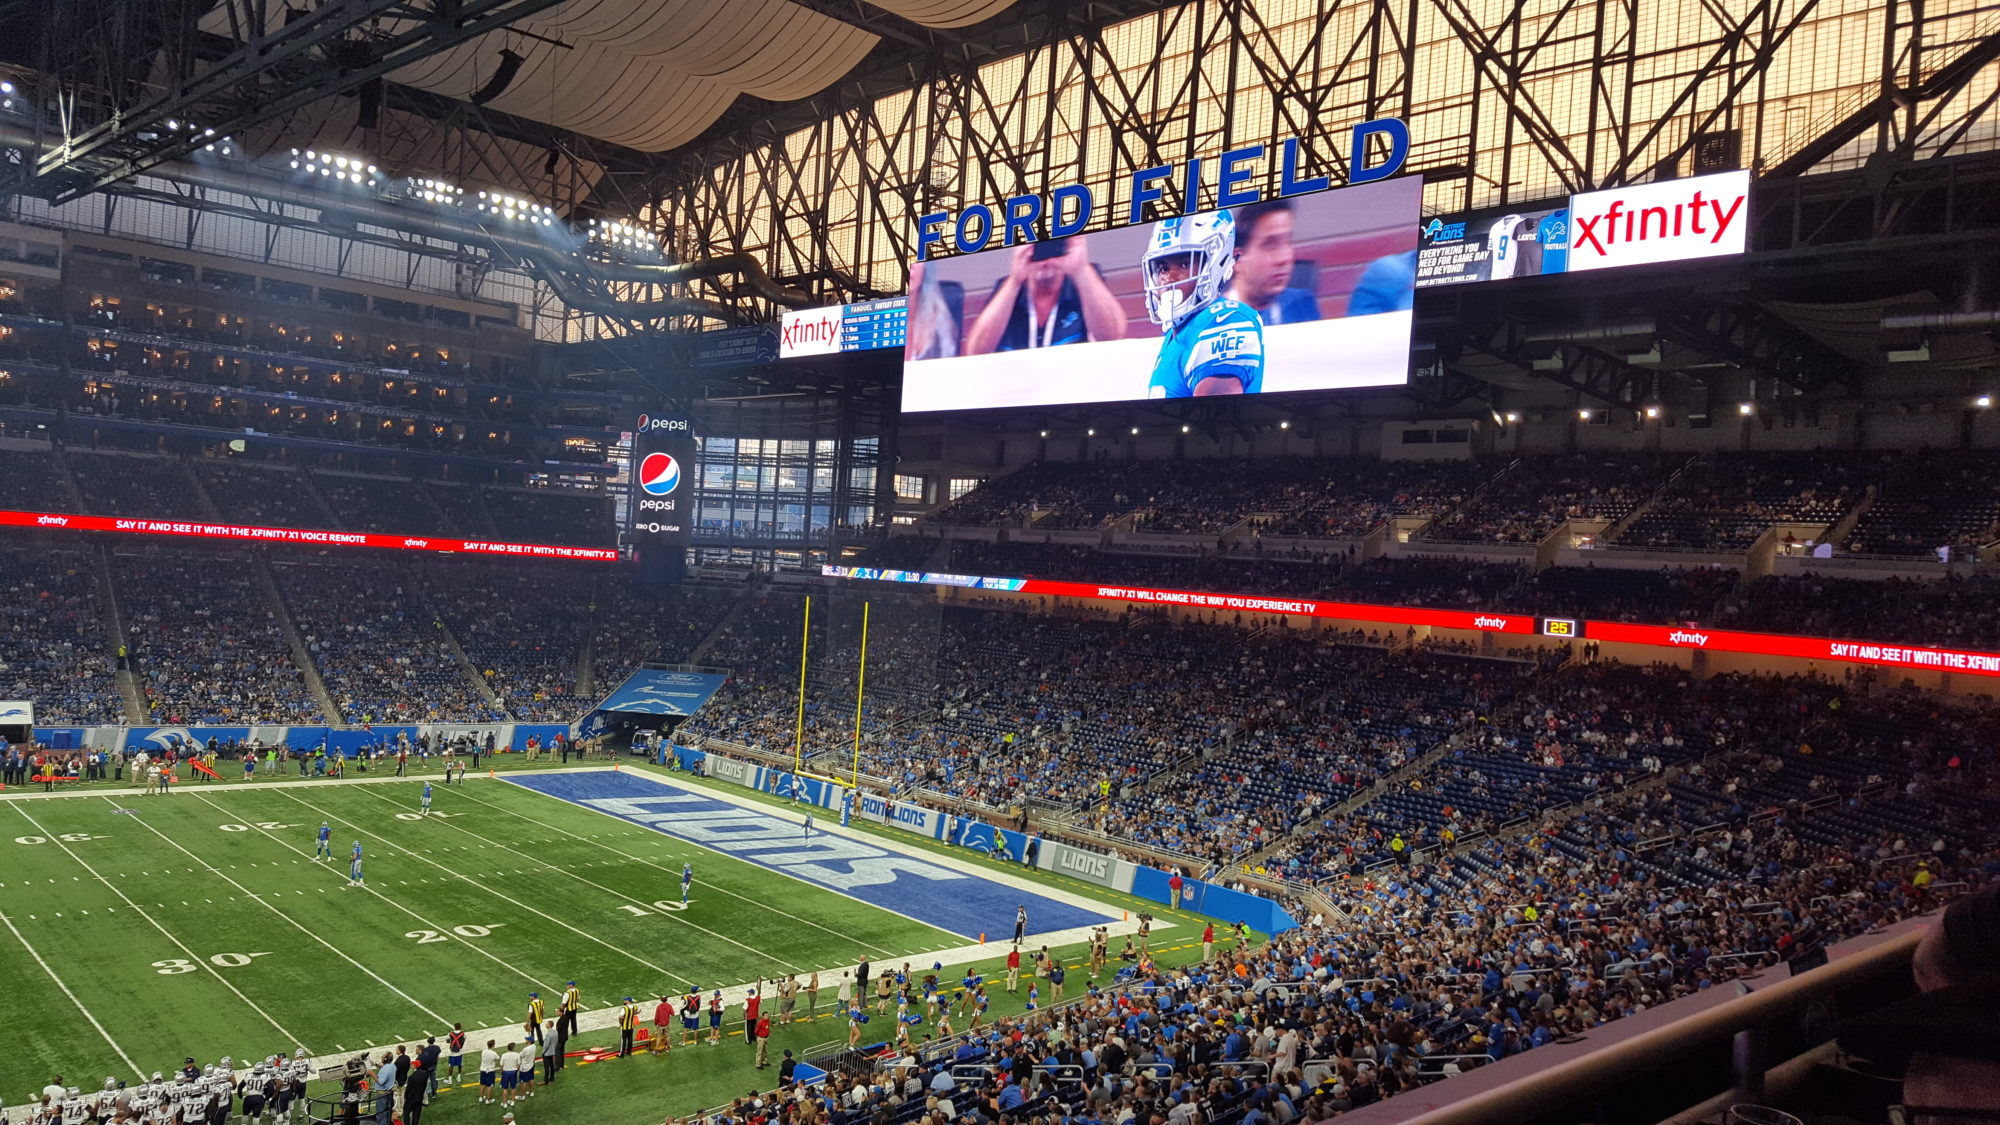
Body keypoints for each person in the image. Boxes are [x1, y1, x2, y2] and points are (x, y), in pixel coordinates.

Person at [1142, 211, 1264, 398]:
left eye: (1184, 264)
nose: (1168, 279)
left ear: (1216, 261)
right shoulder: (1177, 333)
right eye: (1163, 268)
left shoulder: (1224, 322)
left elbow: (1213, 422)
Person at [962, 235, 1126, 355]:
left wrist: (1081, 269)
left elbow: (1112, 336)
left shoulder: (1083, 284)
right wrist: (1015, 281)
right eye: (1038, 248)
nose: (1046, 260)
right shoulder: (1006, 290)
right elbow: (976, 351)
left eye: (1053, 246)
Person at [1226, 199, 1321, 324]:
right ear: (1237, 260)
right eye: (1270, 245)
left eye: (1288, 242)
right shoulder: (1213, 318)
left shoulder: (1302, 304)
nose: (1284, 258)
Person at [497, 1043, 520, 1108]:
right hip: (513, 1072)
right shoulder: (517, 1055)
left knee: (505, 1088)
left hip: (506, 1072)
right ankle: (512, 1101)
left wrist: (502, 1072)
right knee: (513, 1087)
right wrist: (516, 1071)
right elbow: (518, 1065)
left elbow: (501, 1065)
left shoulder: (504, 1055)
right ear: (513, 1048)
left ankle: (505, 1103)